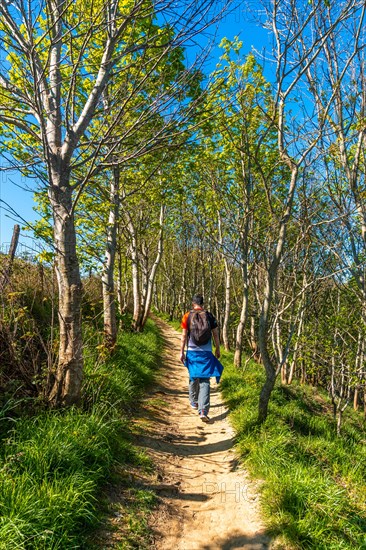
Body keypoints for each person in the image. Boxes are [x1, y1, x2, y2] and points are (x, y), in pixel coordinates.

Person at [180, 294, 223, 422]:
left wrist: (181, 351)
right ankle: (203, 410)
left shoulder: (187, 316)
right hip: (206, 352)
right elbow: (215, 334)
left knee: (193, 376)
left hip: (192, 352)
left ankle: (193, 402)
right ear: (202, 304)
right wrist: (217, 348)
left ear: (193, 303)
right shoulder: (209, 316)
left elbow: (183, 336)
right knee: (205, 380)